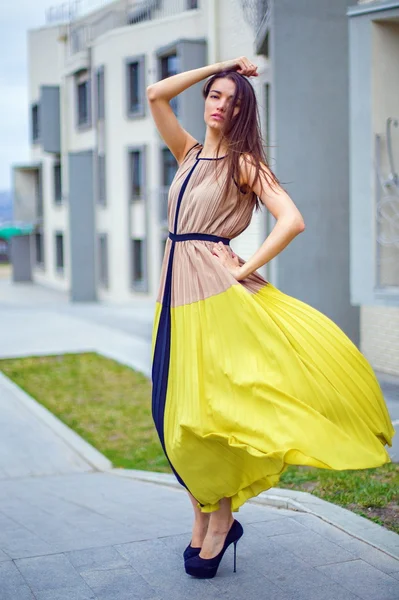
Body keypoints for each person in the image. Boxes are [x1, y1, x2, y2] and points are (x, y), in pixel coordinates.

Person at [147, 57, 394, 579]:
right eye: (216, 95)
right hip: (173, 294)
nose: (221, 106)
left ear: (243, 115)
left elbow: (292, 219)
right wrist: (221, 66)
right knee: (171, 417)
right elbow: (154, 93)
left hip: (214, 296)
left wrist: (245, 270)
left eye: (233, 102)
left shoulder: (244, 163)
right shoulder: (187, 153)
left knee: (210, 415)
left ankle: (220, 522)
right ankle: (205, 516)